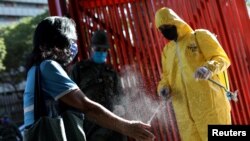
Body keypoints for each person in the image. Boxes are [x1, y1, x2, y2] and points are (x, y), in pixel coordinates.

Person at [23, 16, 154, 141]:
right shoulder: (48, 67)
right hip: (93, 130)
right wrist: (127, 127)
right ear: (56, 42)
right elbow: (86, 106)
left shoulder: (35, 70)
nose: (72, 47)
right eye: (70, 41)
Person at [155, 7, 231, 141]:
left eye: (166, 26)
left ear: (176, 22)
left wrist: (208, 68)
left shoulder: (199, 36)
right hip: (185, 117)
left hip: (211, 110)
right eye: (161, 29)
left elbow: (221, 58)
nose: (164, 31)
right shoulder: (167, 50)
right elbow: (166, 77)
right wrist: (163, 88)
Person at [70, 30, 126, 141]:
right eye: (98, 49)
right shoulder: (79, 69)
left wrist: (122, 107)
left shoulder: (111, 72)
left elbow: (120, 95)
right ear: (91, 49)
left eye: (104, 50)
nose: (101, 52)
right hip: (90, 125)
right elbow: (71, 96)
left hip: (113, 124)